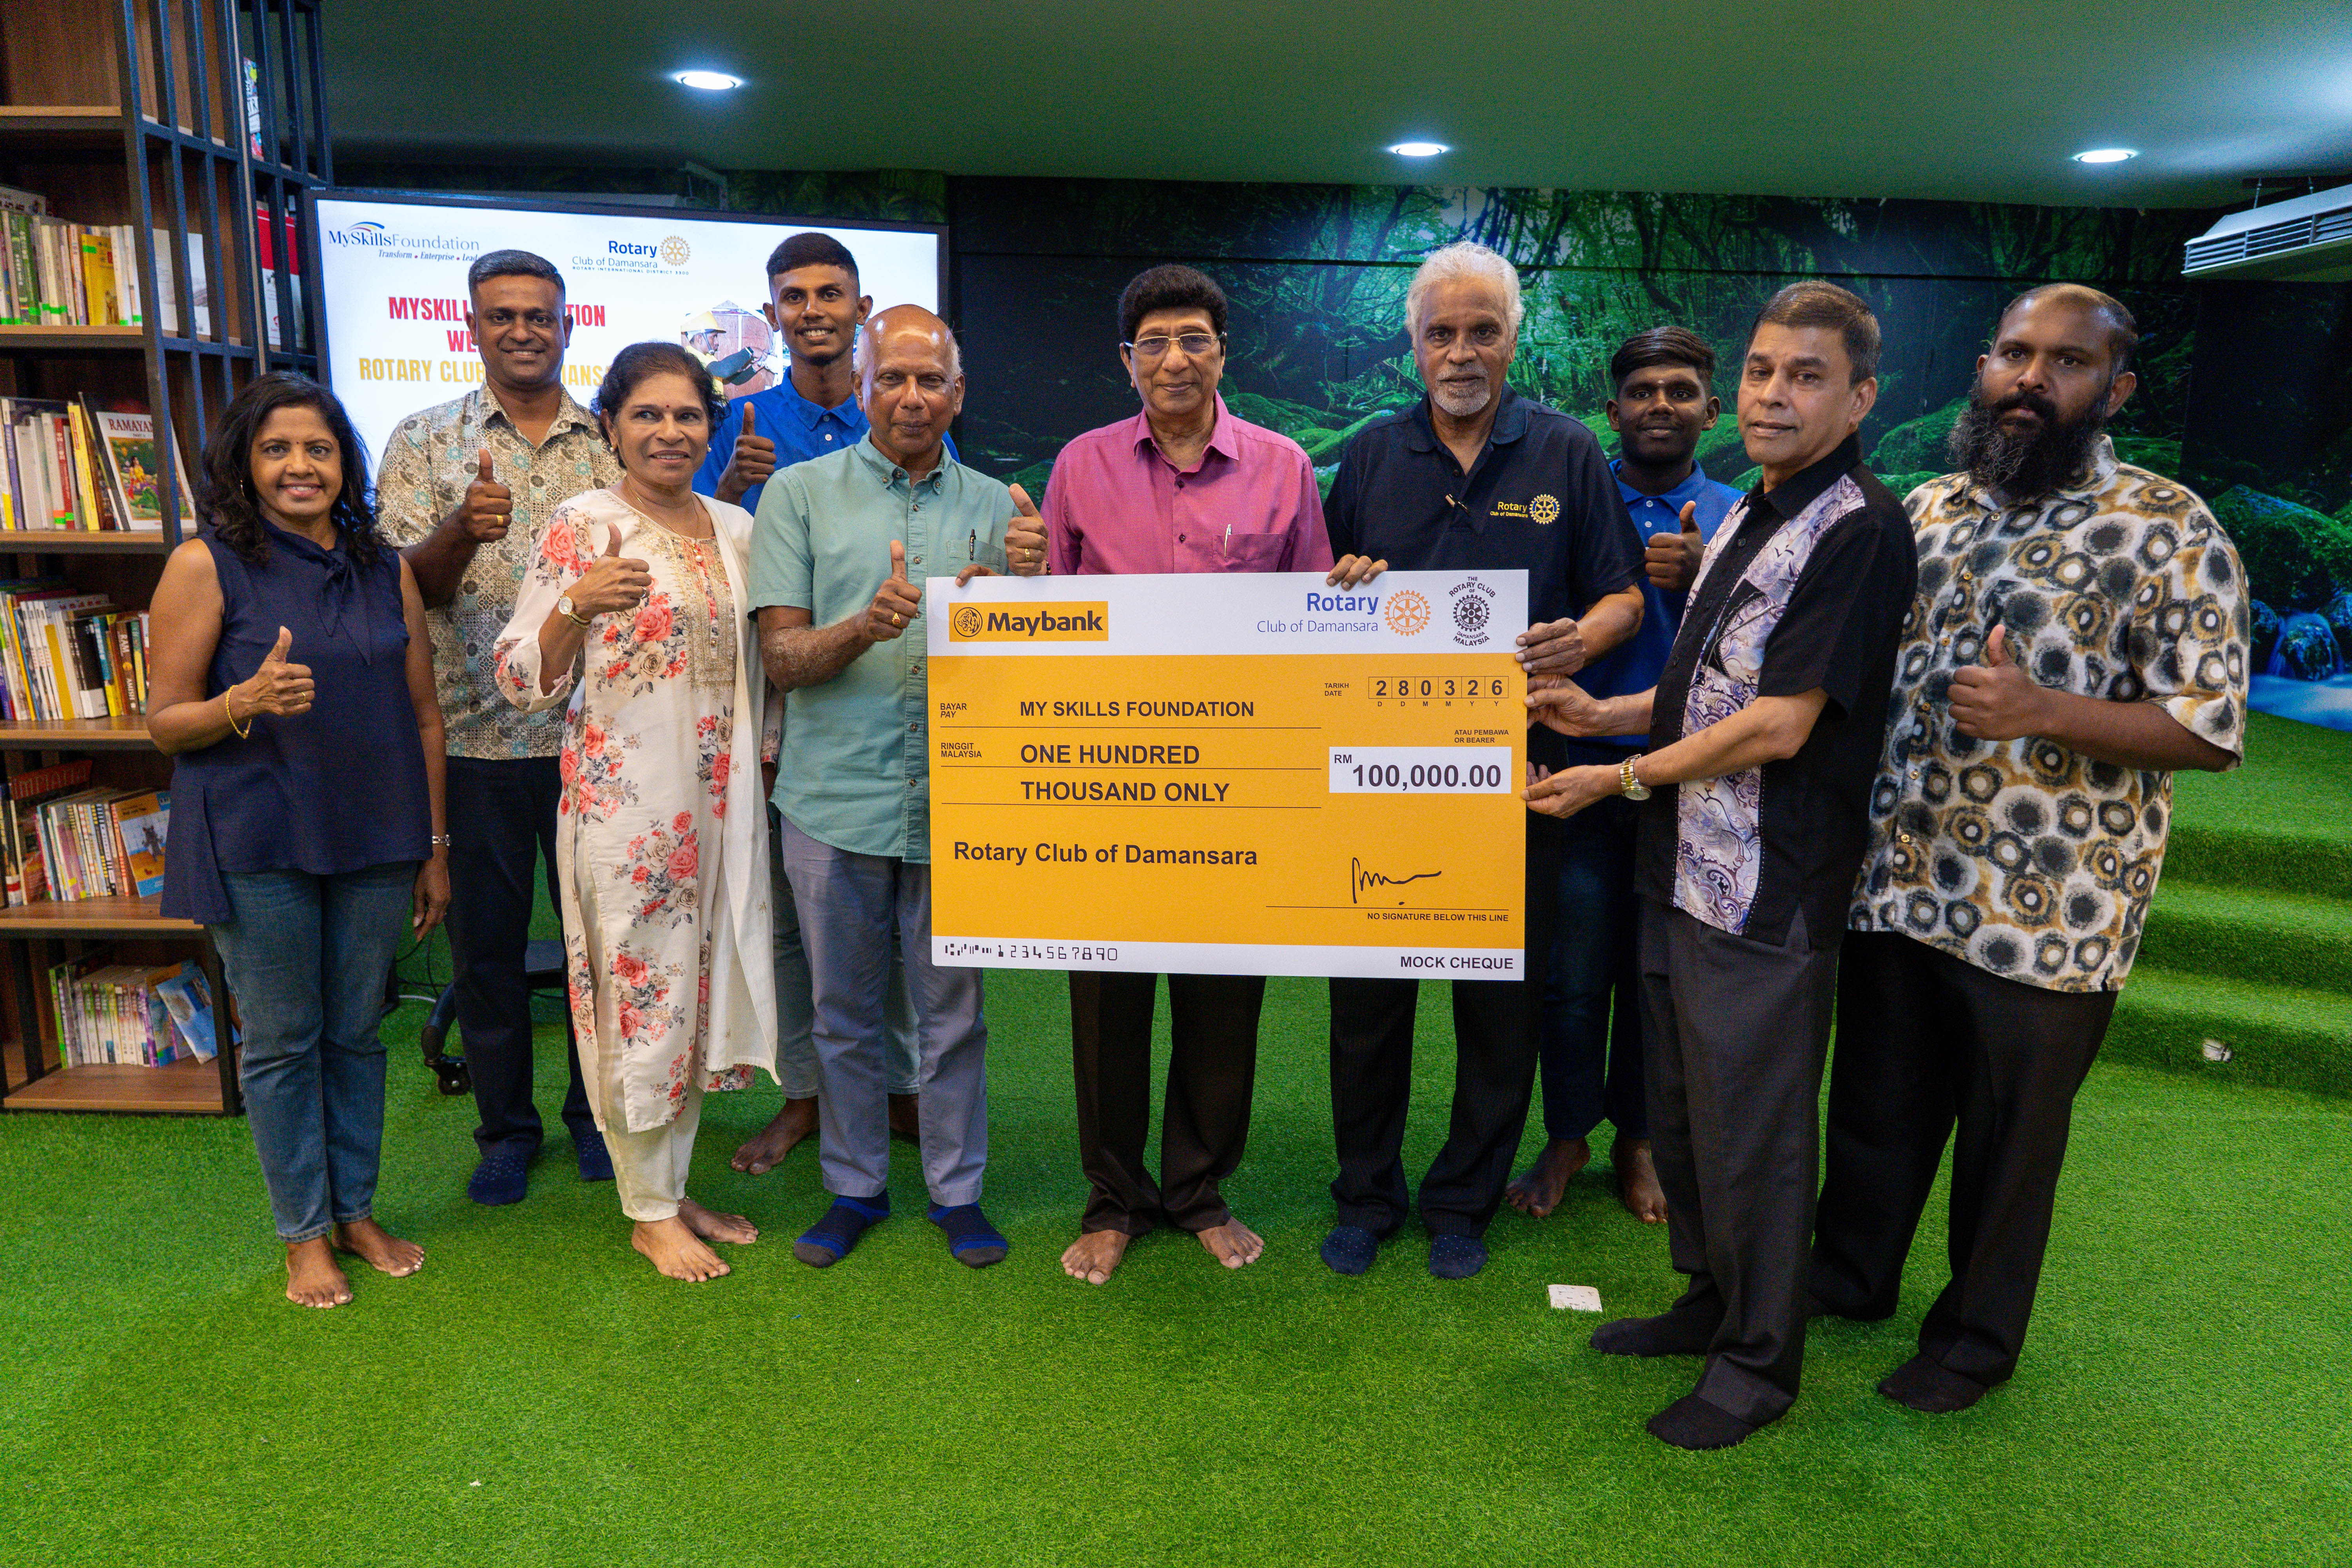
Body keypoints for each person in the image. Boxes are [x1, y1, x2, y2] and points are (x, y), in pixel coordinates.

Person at [1812, 285, 2248, 1413]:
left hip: (2049, 915)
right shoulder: (1929, 508)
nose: (2032, 380)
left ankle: (1972, 1343)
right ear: (1984, 365)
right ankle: (1850, 1276)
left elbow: (2208, 728)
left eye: (2067, 362)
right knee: (1875, 1105)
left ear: (2117, 389)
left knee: (2008, 1144)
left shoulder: (2168, 525)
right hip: (1901, 879)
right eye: (2016, 353)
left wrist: (2042, 710)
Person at [1524, 281, 1916, 1449]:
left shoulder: (1858, 529)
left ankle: (1757, 1364)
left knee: (1754, 1131)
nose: (1773, 394)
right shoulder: (1752, 507)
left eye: (1807, 376)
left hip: (1766, 888)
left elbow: (1781, 724)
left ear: (1860, 397)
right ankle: (1707, 1299)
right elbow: (1708, 688)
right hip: (1682, 869)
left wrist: (1619, 776)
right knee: (1687, 1113)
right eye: (1761, 370)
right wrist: (1602, 716)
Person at [1319, 241, 1646, 1281]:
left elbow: (1624, 593)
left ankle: (1463, 1199)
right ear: (1414, 346)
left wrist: (1583, 638)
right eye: (1442, 333)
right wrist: (1341, 584)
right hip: (1380, 780)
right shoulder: (1371, 456)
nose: (1461, 351)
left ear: (1512, 341)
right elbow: (1313, 600)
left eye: (1483, 331)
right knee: (1368, 1004)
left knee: (1500, 1005)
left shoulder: (1567, 451)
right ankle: (1367, 1196)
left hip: (1520, 776)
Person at [1042, 264, 1336, 1286]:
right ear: (1127, 361)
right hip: (1108, 781)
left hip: (1239, 782)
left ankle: (1199, 1190)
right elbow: (1052, 618)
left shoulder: (1284, 468)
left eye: (1195, 340)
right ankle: (1114, 1200)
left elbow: (1315, 625)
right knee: (1107, 1000)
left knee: (1223, 1001)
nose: (1176, 359)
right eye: (1156, 343)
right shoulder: (1080, 465)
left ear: (1223, 352)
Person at [149, 372, 449, 1308]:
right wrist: (241, 701)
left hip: (377, 831)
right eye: (276, 448)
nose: (299, 465)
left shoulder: (386, 567)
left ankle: (356, 1212)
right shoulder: (205, 565)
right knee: (284, 1039)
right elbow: (165, 721)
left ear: (343, 462)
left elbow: (425, 713)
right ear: (245, 463)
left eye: (318, 448)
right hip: (259, 835)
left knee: (356, 1032)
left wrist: (434, 843)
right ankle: (304, 1235)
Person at [751, 305, 1036, 1270]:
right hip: (835, 800)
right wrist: (862, 628)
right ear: (864, 388)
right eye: (893, 379)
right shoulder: (797, 494)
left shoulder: (1001, 506)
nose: (912, 397)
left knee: (955, 1013)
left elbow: (1035, 672)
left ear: (959, 392)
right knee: (843, 1011)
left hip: (962, 803)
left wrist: (1030, 594)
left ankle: (959, 1193)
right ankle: (855, 1187)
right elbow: (782, 658)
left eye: (931, 380)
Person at [492, 341, 778, 1283]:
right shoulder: (584, 524)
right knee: (639, 1001)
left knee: (695, 997)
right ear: (610, 426)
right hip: (630, 814)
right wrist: (575, 605)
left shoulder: (736, 527)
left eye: (687, 414)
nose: (669, 431)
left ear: (711, 426)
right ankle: (648, 1211)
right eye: (646, 414)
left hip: (722, 811)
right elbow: (518, 678)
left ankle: (673, 1185)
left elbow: (767, 665)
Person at [378, 249, 618, 1205]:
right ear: (471, 325)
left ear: (567, 325)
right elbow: (403, 588)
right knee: (486, 957)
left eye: (539, 315)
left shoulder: (611, 442)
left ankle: (596, 1118)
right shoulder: (424, 440)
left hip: (597, 744)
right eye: (502, 315)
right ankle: (507, 1130)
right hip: (475, 743)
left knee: (601, 950)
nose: (523, 330)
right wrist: (459, 530)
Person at [693, 232, 925, 1176]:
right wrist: (733, 485)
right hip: (767, 694)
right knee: (791, 913)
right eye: (795, 296)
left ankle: (901, 1085)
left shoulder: (901, 410)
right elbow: (691, 548)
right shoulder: (739, 422)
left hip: (879, 704)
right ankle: (803, 1093)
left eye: (832, 293)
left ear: (862, 310)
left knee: (899, 914)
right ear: (773, 313)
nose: (814, 310)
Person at [1508, 326, 1742, 1226]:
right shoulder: (1572, 497)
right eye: (1642, 391)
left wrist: (1701, 576)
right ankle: (1568, 1134)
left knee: (1655, 977)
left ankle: (1638, 1139)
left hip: (1688, 783)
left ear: (1711, 411)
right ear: (1613, 410)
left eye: (1680, 390)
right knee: (1570, 974)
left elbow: (1752, 659)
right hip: (1574, 772)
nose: (1660, 405)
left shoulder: (1740, 515)